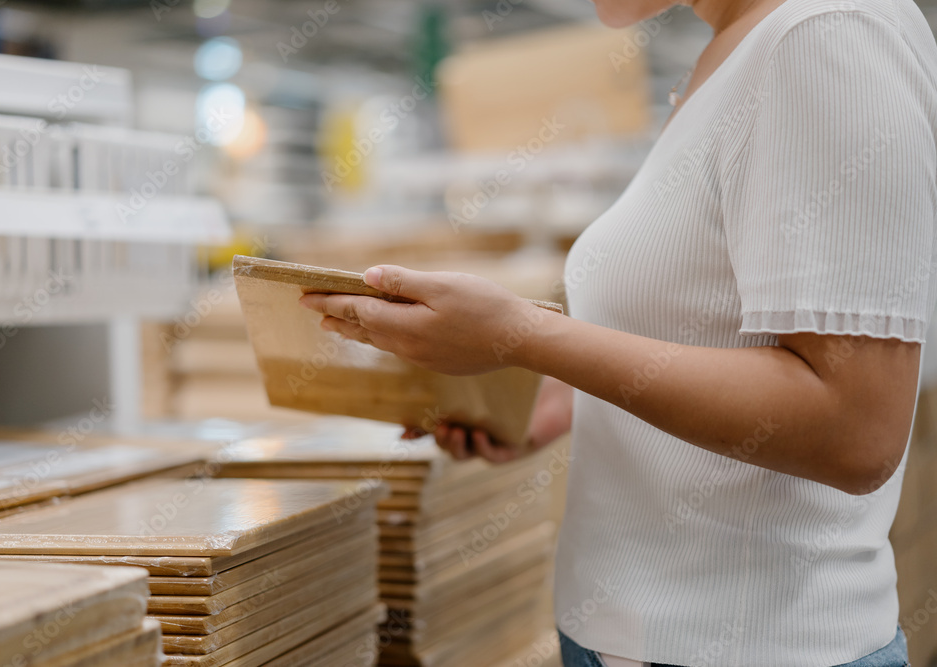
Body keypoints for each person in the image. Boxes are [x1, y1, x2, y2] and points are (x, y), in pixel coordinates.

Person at [299, 0, 937, 663]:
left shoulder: (825, 36)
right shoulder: (737, 49)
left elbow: (855, 428)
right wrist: (550, 398)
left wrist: (522, 335)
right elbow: (713, 330)